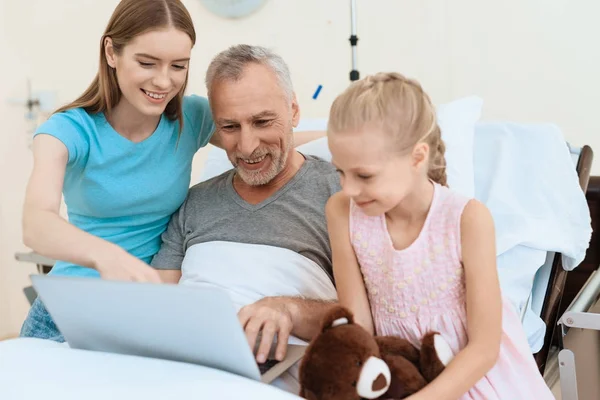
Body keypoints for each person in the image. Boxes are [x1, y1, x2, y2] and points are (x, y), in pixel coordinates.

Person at [19, 0, 321, 342]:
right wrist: (106, 257)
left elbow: (270, 139)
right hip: (67, 311)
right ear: (111, 53)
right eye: (147, 63)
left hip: (141, 313)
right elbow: (36, 223)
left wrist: (360, 138)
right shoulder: (68, 131)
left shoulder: (190, 118)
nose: (163, 81)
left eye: (178, 65)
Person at [324, 72, 555, 399]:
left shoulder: (467, 219)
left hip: (475, 378)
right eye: (340, 172)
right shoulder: (341, 212)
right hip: (402, 372)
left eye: (364, 175)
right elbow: (358, 329)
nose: (348, 188)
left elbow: (485, 349)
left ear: (416, 158)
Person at [151, 44, 339, 392]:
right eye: (229, 127)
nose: (247, 146)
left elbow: (371, 316)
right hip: (180, 376)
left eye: (262, 122)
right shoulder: (194, 201)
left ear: (294, 110)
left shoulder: (340, 194)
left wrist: (289, 311)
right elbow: (158, 308)